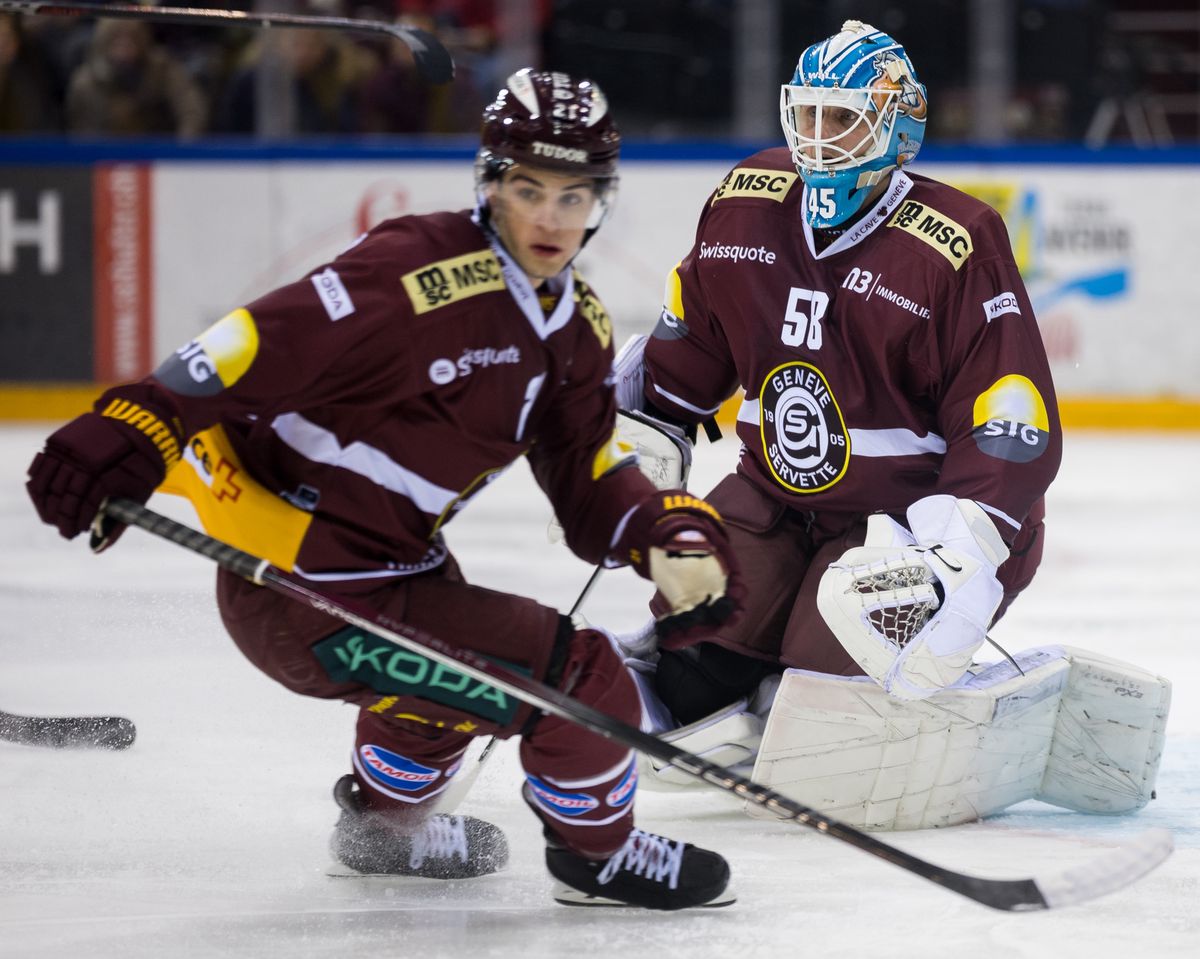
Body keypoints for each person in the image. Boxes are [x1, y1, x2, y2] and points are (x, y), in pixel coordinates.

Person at [25, 69, 743, 911]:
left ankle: (382, 830)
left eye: (574, 195)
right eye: (529, 190)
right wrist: (135, 425)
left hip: (392, 568)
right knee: (577, 678)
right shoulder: (414, 271)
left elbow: (585, 475)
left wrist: (664, 531)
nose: (552, 218)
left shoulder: (574, 326)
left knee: (448, 679)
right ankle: (599, 856)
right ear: (491, 184)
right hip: (305, 591)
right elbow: (252, 343)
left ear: (601, 201)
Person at [613, 21, 1062, 736]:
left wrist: (961, 551)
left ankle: (864, 685)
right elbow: (692, 340)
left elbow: (1007, 418)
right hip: (772, 502)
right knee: (689, 679)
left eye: (844, 120)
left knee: (823, 705)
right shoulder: (746, 203)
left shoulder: (955, 242)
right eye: (810, 115)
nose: (820, 138)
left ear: (896, 129)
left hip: (901, 526)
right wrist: (628, 429)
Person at [64, 18, 207, 137]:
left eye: (131, 37)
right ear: (104, 42)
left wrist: (179, 150)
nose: (124, 46)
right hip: (105, 154)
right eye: (117, 38)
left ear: (143, 39)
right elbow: (81, 133)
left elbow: (192, 111)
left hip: (157, 149)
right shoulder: (86, 82)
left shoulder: (163, 69)